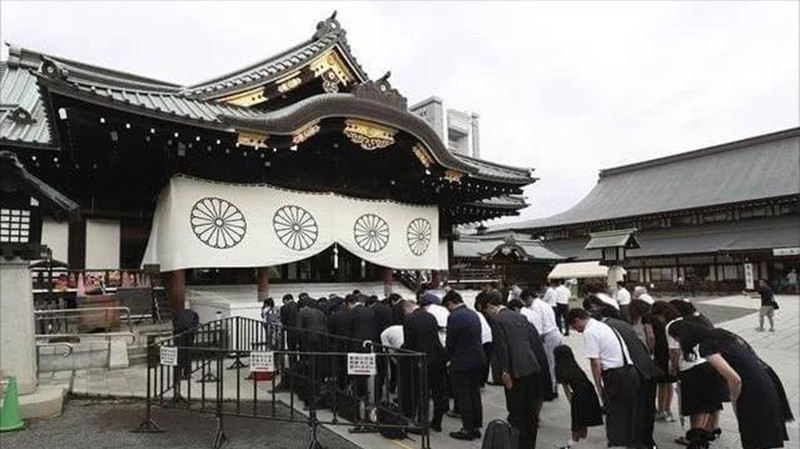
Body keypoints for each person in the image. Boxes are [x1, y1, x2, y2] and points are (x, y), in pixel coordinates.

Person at [669, 320, 793, 449]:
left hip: (753, 389)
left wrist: (735, 401)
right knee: (761, 436)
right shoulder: (722, 335)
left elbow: (734, 379)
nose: (679, 343)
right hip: (766, 379)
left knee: (754, 437)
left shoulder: (707, 347)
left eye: (677, 339)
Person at [566, 308, 642, 449]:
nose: (577, 331)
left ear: (577, 320)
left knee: (614, 413)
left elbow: (595, 362)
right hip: (630, 371)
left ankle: (616, 444)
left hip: (615, 375)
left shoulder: (590, 332)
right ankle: (631, 443)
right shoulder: (603, 325)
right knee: (630, 412)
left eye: (575, 327)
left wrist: (599, 386)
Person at [485, 293, 550, 449]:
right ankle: (529, 444)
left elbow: (502, 348)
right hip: (531, 366)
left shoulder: (498, 320)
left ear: (490, 306)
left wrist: (505, 372)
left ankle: (518, 443)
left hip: (516, 371)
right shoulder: (518, 316)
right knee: (530, 412)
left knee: (517, 412)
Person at [665, 314, 727, 446]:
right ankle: (701, 436)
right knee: (705, 406)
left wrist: (674, 369)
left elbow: (679, 358)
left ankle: (694, 439)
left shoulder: (688, 349)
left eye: (675, 336)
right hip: (708, 369)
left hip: (693, 373)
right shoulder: (699, 338)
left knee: (696, 408)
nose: (675, 339)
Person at [442, 290, 486, 441]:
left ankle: (467, 428)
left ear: (450, 303)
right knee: (474, 394)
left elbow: (451, 342)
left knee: (464, 396)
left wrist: (447, 359)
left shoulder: (454, 317)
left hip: (462, 362)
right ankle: (475, 426)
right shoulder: (472, 314)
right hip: (477, 359)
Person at [402, 299, 447, 432]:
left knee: (422, 392)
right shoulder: (430, 316)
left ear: (406, 309)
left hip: (420, 360)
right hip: (437, 358)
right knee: (438, 391)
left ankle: (422, 423)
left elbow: (409, 344)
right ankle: (437, 422)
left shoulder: (409, 320)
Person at [554, 345, 603, 449]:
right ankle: (582, 440)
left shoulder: (561, 370)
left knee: (577, 421)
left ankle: (572, 444)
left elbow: (567, 391)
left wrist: (573, 404)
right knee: (583, 420)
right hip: (589, 390)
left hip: (578, 394)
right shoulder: (575, 367)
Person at [522, 289, 562, 398]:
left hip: (548, 336)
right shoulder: (544, 304)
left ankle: (551, 391)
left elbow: (538, 325)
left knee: (549, 364)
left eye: (526, 302)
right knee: (554, 364)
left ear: (529, 298)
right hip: (555, 333)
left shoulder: (535, 307)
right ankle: (554, 388)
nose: (526, 304)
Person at [474, 292, 494, 387]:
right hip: (488, 339)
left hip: (483, 340)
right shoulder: (485, 314)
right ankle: (483, 381)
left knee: (483, 360)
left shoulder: (481, 314)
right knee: (486, 360)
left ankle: (481, 381)